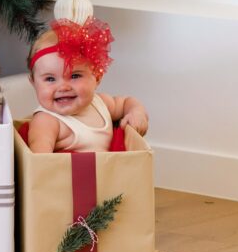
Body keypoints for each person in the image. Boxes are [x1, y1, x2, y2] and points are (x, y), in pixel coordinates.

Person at [26, 17, 149, 153]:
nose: (63, 87)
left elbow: (126, 102)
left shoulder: (100, 103)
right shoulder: (46, 121)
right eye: (50, 79)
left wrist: (136, 112)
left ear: (97, 77)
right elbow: (39, 164)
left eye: (75, 76)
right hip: (71, 174)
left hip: (109, 171)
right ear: (33, 83)